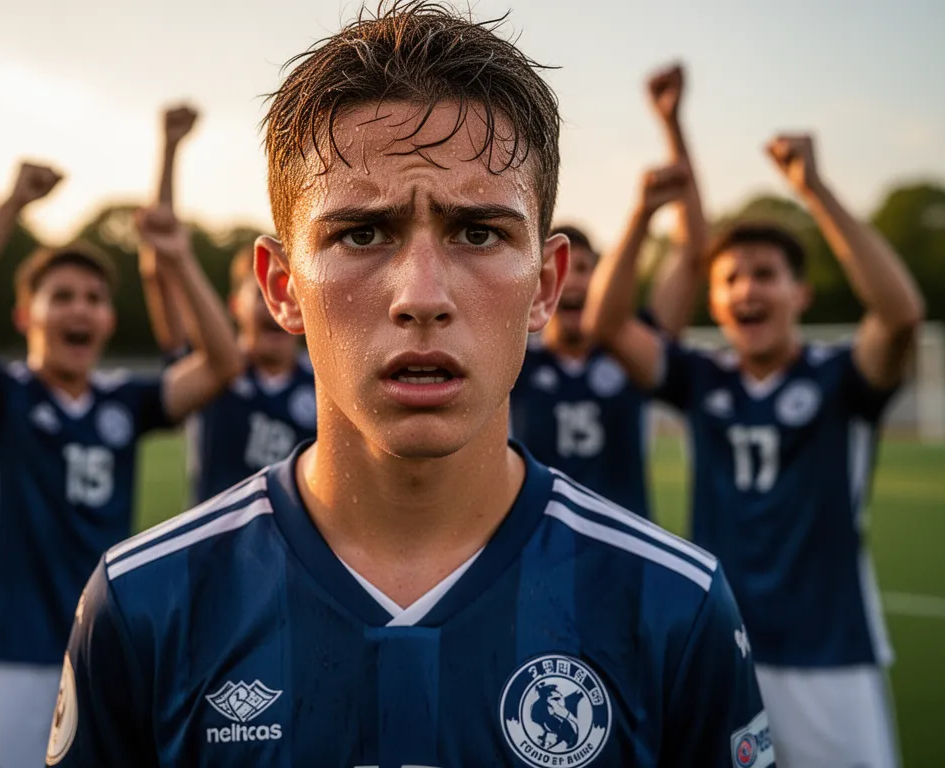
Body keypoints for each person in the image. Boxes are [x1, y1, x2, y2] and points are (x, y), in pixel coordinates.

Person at [49, 4, 772, 766]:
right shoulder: (141, 605)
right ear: (282, 286)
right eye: (361, 233)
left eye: (478, 232)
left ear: (546, 286)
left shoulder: (675, 607)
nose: (421, 295)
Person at [585, 132, 924, 766]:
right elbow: (608, 324)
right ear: (714, 300)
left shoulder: (842, 378)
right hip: (721, 643)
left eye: (766, 276)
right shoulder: (702, 379)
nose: (747, 290)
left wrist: (813, 190)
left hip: (829, 651)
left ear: (802, 293)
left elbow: (901, 314)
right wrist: (639, 215)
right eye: (731, 278)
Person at [0, 163, 241, 768]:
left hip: (103, 646)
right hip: (13, 647)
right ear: (26, 316)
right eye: (61, 296)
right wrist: (10, 202)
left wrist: (175, 257)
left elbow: (223, 363)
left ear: (109, 321)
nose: (81, 309)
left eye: (94, 299)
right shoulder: (1, 396)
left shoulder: (124, 400)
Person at [510, 65, 706, 518]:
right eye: (564, 270)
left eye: (587, 269)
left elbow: (694, 252)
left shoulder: (630, 348)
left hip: (623, 554)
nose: (575, 281)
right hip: (533, 554)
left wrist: (672, 126)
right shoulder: (515, 358)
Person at [140, 105, 317, 503]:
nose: (280, 303)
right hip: (217, 555)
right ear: (234, 305)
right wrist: (169, 149)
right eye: (262, 293)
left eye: (297, 290)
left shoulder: (324, 380)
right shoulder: (211, 369)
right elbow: (162, 268)